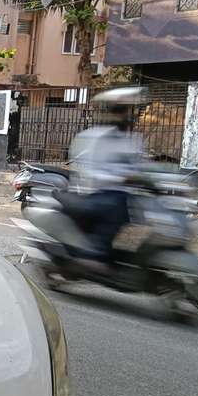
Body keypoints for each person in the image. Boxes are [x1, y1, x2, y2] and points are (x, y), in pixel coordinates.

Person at [68, 87, 149, 264]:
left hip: (123, 193)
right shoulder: (93, 138)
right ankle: (96, 254)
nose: (125, 116)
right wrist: (121, 178)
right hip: (95, 194)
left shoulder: (132, 140)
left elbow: (142, 166)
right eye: (119, 111)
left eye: (127, 111)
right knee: (116, 207)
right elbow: (88, 170)